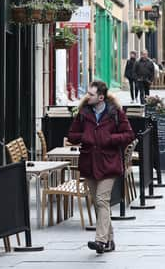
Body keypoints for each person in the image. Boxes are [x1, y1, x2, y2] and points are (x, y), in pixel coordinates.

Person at [67, 80, 135, 254]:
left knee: (101, 200)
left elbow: (129, 134)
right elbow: (71, 135)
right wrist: (85, 136)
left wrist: (109, 139)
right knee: (98, 203)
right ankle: (110, 240)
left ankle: (101, 241)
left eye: (91, 94)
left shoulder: (115, 113)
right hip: (89, 163)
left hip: (109, 163)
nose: (87, 96)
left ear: (101, 97)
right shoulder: (83, 113)